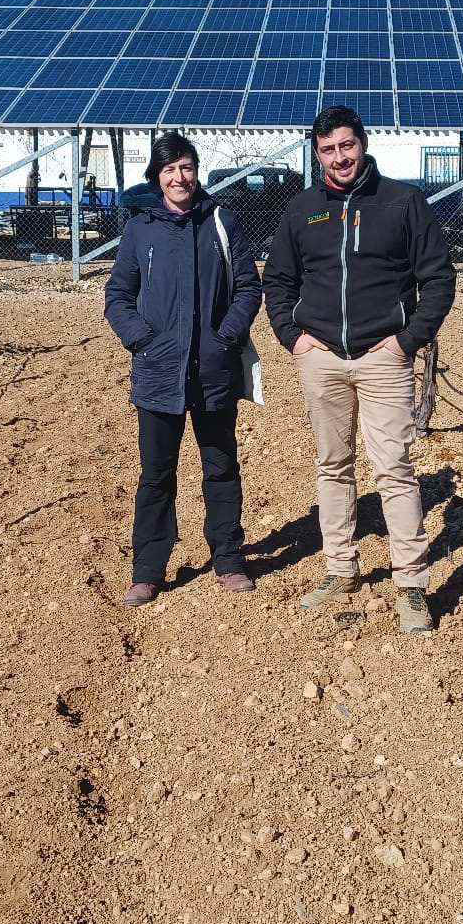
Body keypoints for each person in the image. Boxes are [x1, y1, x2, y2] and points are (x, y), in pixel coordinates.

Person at [262, 106, 456, 633]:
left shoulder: (401, 202)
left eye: (346, 146)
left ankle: (411, 583)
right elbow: (277, 281)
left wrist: (408, 341)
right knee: (333, 467)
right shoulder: (303, 211)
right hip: (321, 357)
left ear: (363, 144)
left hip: (382, 357)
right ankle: (340, 570)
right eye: (328, 150)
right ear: (317, 153)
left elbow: (438, 280)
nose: (340, 157)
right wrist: (293, 337)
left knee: (393, 468)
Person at [103, 132, 264, 607]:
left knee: (220, 465)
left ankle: (229, 559)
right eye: (169, 169)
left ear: (197, 172)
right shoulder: (140, 229)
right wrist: (142, 339)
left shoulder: (221, 222)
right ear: (157, 177)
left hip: (213, 369)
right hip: (158, 371)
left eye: (187, 167)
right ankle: (148, 569)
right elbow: (118, 296)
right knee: (156, 472)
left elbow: (248, 288)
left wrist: (225, 337)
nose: (179, 177)